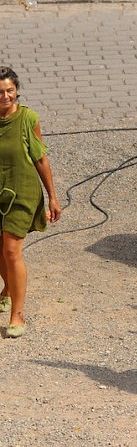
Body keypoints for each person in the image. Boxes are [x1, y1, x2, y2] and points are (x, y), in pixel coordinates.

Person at [0, 67, 61, 338]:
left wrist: (53, 197)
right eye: (0, 92)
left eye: (9, 91)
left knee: (12, 251)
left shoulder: (28, 119)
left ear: (16, 91)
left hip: (22, 192)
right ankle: (9, 286)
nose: (5, 96)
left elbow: (40, 159)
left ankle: (17, 314)